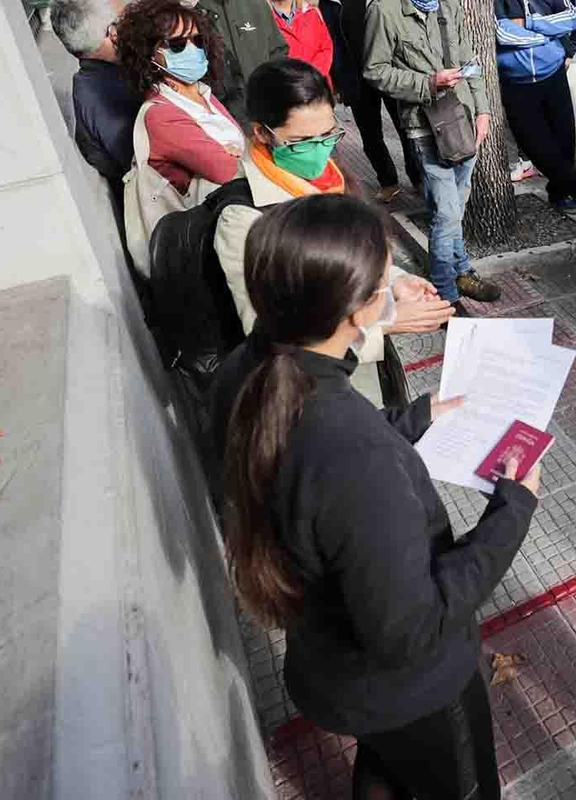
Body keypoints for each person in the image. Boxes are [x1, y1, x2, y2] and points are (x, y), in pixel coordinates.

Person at [210, 191, 538, 800]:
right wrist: (513, 507)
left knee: (386, 768)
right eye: (386, 284)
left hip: (330, 667)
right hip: (412, 694)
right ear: (358, 311)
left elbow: (312, 453)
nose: (396, 293)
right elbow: (410, 630)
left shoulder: (247, 370)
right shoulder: (357, 458)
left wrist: (415, 417)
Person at [213, 59, 454, 404]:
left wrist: (394, 279)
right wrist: (384, 321)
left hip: (363, 377)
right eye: (301, 141)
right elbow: (270, 337)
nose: (320, 151)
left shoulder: (330, 177)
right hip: (312, 395)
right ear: (263, 133)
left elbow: (344, 259)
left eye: (328, 135)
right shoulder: (243, 219)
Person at [364, 0, 503, 307]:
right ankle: (446, 294)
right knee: (446, 213)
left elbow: (469, 59)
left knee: (456, 208)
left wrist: (483, 109)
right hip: (424, 125)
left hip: (463, 119)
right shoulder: (385, 9)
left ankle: (461, 272)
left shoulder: (448, 2)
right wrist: (428, 82)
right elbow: (375, 71)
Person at [493, 0, 576, 213]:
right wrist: (548, 34)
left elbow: (570, 18)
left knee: (564, 141)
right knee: (534, 144)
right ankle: (574, 181)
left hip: (553, 74)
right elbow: (501, 32)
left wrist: (529, 23)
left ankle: (560, 196)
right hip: (516, 81)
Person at [319, 0, 416, 202]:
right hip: (356, 78)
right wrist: (337, 82)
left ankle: (418, 178)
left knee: (407, 129)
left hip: (391, 72)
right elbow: (330, 42)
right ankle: (388, 182)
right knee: (371, 136)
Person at [114, 0, 242, 196]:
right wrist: (243, 156)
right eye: (177, 44)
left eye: (198, 40)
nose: (193, 49)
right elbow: (229, 172)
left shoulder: (202, 92)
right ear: (149, 53)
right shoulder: (160, 115)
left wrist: (240, 153)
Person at [50, 0, 142, 208]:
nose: (136, 26)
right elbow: (148, 164)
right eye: (126, 20)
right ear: (112, 33)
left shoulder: (104, 77)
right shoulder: (104, 95)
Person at [195, 0, 288, 126]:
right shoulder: (191, 7)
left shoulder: (256, 5)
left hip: (262, 112)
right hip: (217, 117)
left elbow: (278, 53)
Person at [258, 0, 334, 82]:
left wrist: (311, 76)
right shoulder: (261, 18)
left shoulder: (312, 12)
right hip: (286, 88)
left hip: (317, 85)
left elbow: (326, 48)